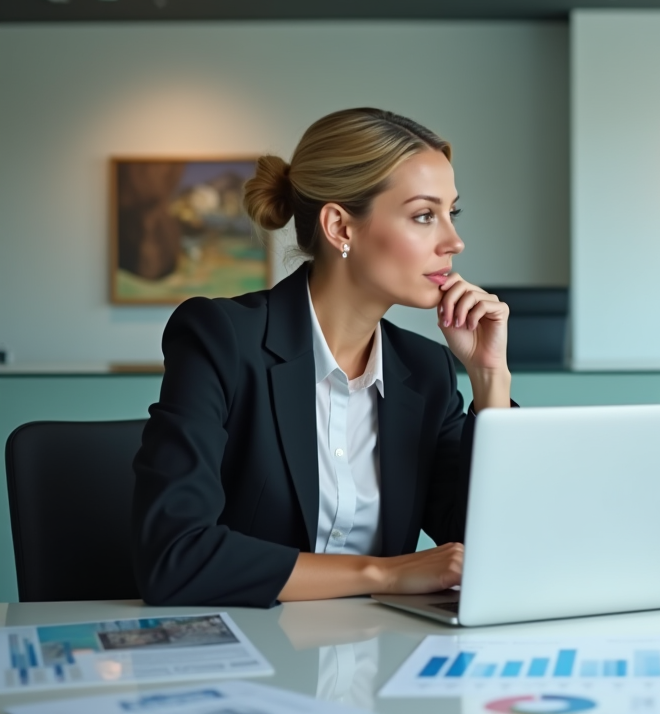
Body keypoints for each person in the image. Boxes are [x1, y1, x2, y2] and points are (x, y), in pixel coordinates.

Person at [132, 108, 512, 607]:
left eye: (451, 213)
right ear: (340, 227)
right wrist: (385, 573)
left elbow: (495, 547)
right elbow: (174, 557)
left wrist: (489, 381)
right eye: (424, 215)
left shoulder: (426, 371)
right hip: (253, 657)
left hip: (378, 659)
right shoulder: (221, 340)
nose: (454, 241)